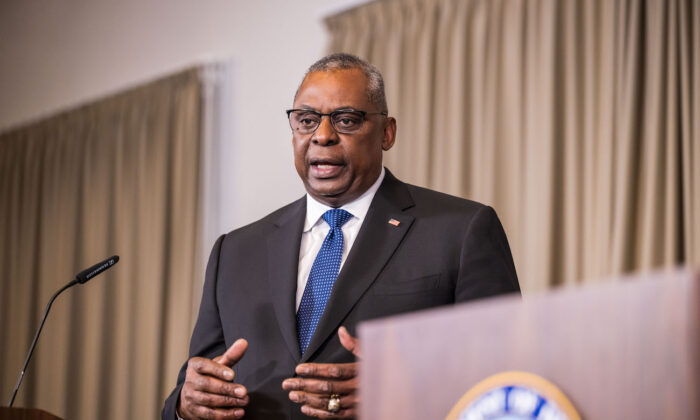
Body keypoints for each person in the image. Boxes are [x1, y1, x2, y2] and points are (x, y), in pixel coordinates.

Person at [162, 53, 520, 420]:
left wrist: (399, 394)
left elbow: (510, 377)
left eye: (346, 120)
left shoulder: (461, 230)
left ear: (387, 133)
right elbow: (195, 382)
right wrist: (185, 406)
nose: (322, 136)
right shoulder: (235, 252)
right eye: (306, 121)